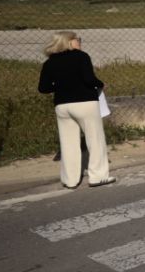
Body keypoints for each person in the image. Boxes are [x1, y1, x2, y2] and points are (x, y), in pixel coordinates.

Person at [37, 31, 113, 188]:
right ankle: (97, 176)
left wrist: (61, 85)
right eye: (76, 39)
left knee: (68, 143)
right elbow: (89, 79)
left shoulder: (49, 63)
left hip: (62, 106)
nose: (79, 42)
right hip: (84, 103)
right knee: (95, 140)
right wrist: (101, 84)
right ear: (68, 42)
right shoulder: (81, 57)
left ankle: (70, 180)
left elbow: (43, 88)